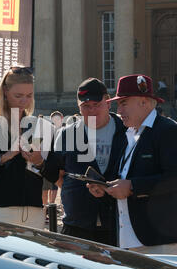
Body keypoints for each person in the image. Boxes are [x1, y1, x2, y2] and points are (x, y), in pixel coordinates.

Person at [89, 74, 177, 254]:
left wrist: (132, 186)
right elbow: (125, 175)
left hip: (163, 236)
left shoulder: (170, 131)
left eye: (124, 103)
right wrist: (106, 188)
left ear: (145, 102)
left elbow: (176, 179)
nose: (119, 109)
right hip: (131, 233)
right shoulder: (129, 133)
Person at [0, 65, 59, 229]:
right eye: (18, 95)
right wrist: (4, 157)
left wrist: (39, 163)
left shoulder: (38, 125)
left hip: (34, 212)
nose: (24, 101)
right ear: (5, 92)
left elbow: (54, 175)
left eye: (29, 96)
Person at [48, 78, 127, 245]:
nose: (92, 111)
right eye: (86, 106)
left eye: (96, 104)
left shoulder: (127, 130)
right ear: (79, 107)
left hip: (118, 223)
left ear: (108, 102)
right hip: (77, 223)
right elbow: (58, 174)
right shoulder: (66, 135)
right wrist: (78, 191)